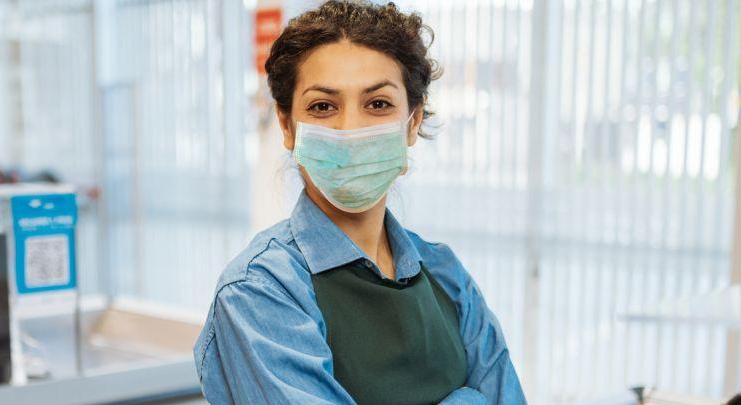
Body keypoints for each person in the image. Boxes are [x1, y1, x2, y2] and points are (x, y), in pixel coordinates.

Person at [193, 1, 527, 403]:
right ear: (287, 126)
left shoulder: (446, 275)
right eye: (322, 106)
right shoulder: (260, 290)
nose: (350, 128)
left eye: (378, 104)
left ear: (413, 122)